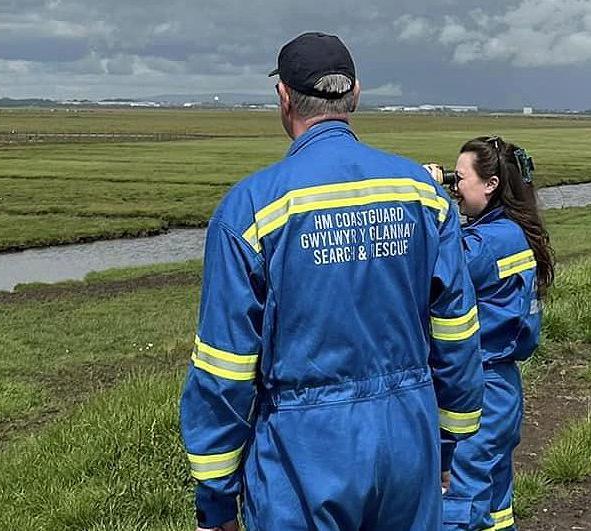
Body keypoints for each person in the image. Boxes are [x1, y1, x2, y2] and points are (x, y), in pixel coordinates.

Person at [179, 32, 485, 531]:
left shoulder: (252, 210)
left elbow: (225, 366)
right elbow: (456, 330)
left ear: (283, 98)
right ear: (356, 93)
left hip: (303, 451)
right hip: (409, 435)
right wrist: (448, 443)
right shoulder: (423, 195)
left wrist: (215, 500)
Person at [431, 137, 553, 530]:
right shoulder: (512, 232)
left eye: (459, 178)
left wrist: (430, 201)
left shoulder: (488, 242)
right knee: (494, 503)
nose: (454, 186)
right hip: (501, 386)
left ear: (491, 184)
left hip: (478, 385)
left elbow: (437, 270)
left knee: (460, 505)